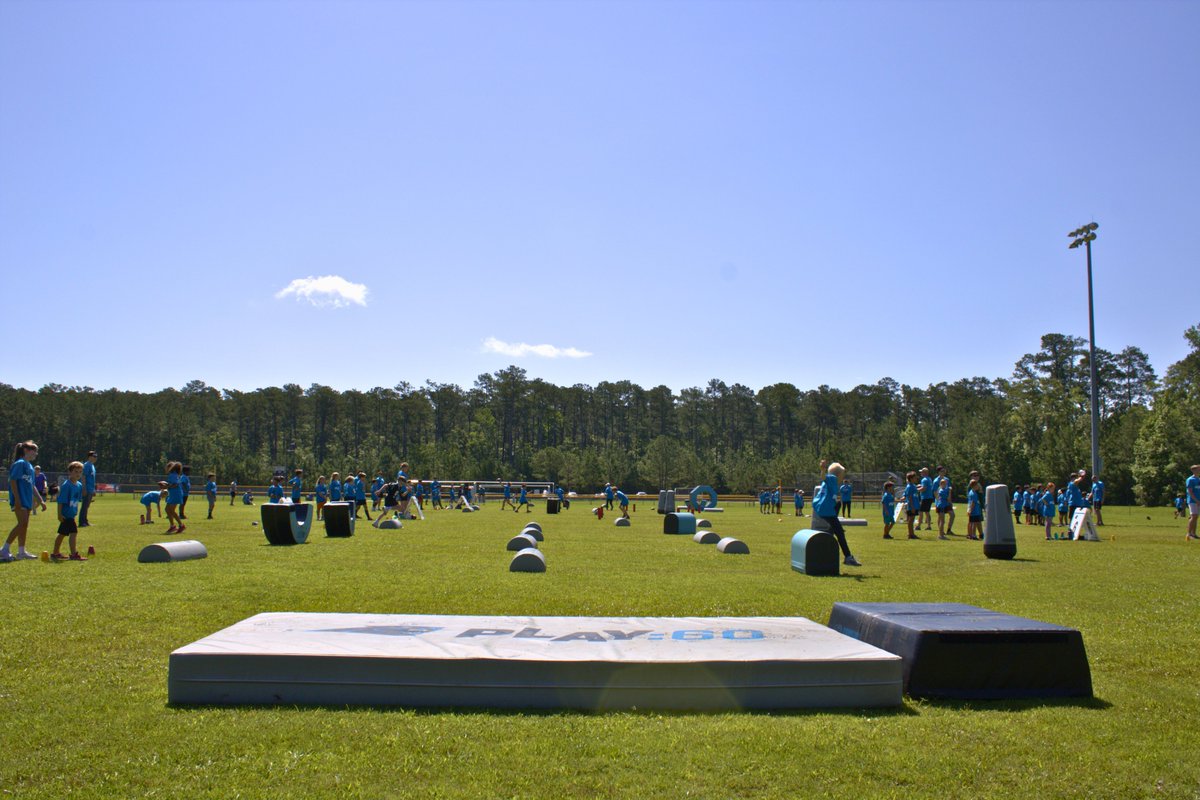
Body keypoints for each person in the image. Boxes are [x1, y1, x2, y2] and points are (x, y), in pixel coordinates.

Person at [3, 440, 46, 562]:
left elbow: (32, 486)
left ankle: (21, 552)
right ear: (26, 450)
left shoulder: (30, 467)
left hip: (26, 500)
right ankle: (4, 549)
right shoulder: (20, 464)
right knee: (22, 524)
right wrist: (17, 499)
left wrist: (40, 500)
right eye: (34, 451)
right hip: (20, 500)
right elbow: (13, 481)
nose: (36, 454)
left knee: (24, 525)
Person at [814, 460, 861, 567]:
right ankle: (848, 557)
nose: (843, 477)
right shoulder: (832, 478)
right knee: (840, 533)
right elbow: (823, 477)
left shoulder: (833, 482)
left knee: (838, 504)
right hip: (826, 510)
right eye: (843, 474)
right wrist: (822, 469)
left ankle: (831, 531)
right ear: (838, 474)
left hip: (824, 508)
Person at [51, 461, 86, 561]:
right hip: (66, 515)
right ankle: (73, 554)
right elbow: (60, 501)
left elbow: (78, 499)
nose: (78, 474)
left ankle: (55, 553)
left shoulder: (78, 485)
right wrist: (59, 514)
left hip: (72, 514)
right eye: (76, 471)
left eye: (80, 472)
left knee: (62, 534)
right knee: (73, 533)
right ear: (70, 472)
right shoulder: (67, 485)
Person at [165, 461, 185, 534]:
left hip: (175, 494)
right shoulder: (173, 474)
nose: (166, 468)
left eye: (167, 467)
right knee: (167, 509)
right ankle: (172, 526)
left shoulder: (172, 475)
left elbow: (175, 484)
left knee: (171, 510)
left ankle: (181, 525)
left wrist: (167, 486)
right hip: (173, 493)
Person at [80, 450, 97, 527]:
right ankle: (82, 522)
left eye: (96, 456)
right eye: (94, 456)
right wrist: (84, 488)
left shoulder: (92, 466)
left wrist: (93, 489)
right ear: (90, 457)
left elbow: (92, 478)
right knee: (84, 505)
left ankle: (85, 521)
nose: (95, 458)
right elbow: (83, 477)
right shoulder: (86, 465)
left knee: (87, 506)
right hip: (86, 488)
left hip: (90, 489)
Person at [903, 471, 921, 539]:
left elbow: (915, 495)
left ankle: (912, 533)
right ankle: (910, 534)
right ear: (911, 478)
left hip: (915, 505)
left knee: (912, 519)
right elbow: (909, 498)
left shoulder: (913, 486)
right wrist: (912, 507)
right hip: (911, 506)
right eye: (914, 477)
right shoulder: (909, 487)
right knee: (911, 520)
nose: (916, 478)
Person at [1187, 465, 1200, 541]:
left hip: (1198, 500)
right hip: (1192, 501)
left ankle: (1194, 534)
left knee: (1196, 517)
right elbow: (1190, 491)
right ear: (1193, 470)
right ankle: (1189, 534)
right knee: (1194, 516)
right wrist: (1196, 500)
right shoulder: (1190, 479)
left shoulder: (1198, 479)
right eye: (1198, 469)